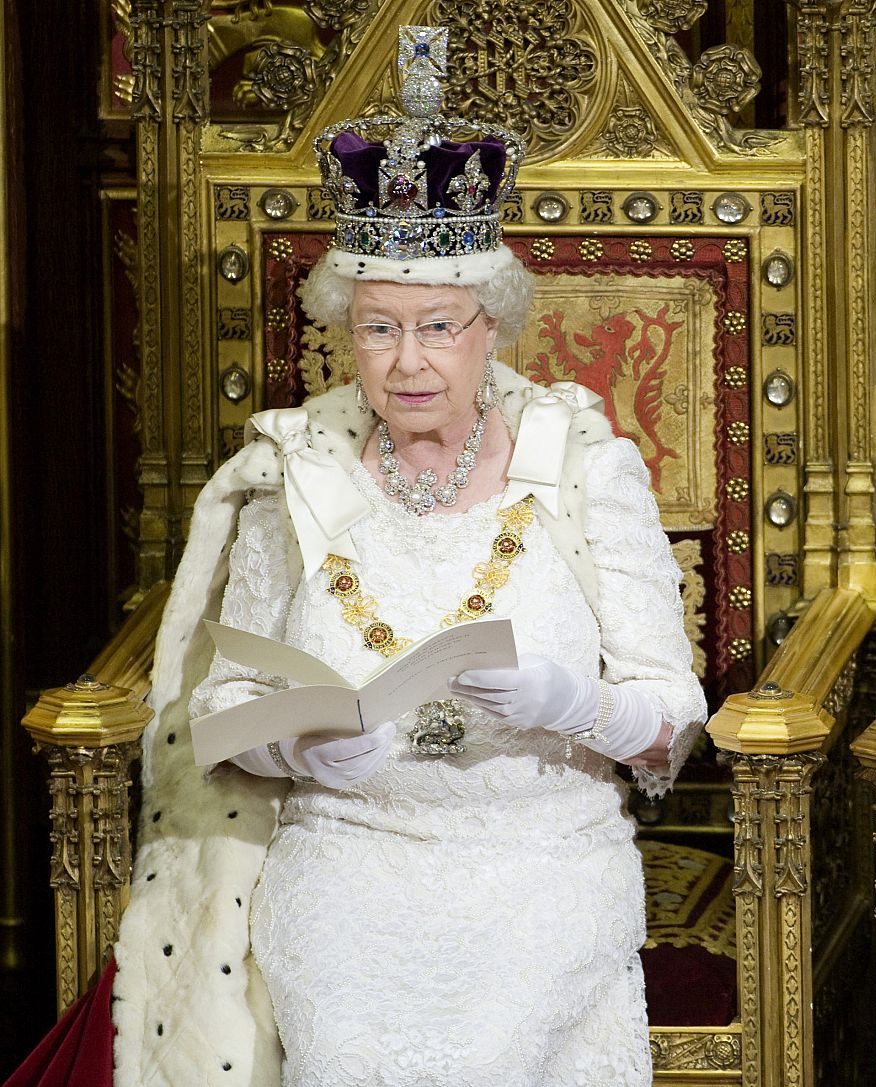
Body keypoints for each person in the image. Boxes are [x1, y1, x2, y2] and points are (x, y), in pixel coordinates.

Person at [109, 27, 705, 1086]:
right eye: (379, 329)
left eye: (438, 325)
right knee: (348, 1055)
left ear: (494, 329)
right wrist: (294, 748)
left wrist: (573, 703)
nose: (409, 360)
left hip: (543, 868)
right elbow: (221, 707)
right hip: (346, 869)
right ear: (347, 329)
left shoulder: (582, 467)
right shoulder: (297, 472)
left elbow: (671, 715)